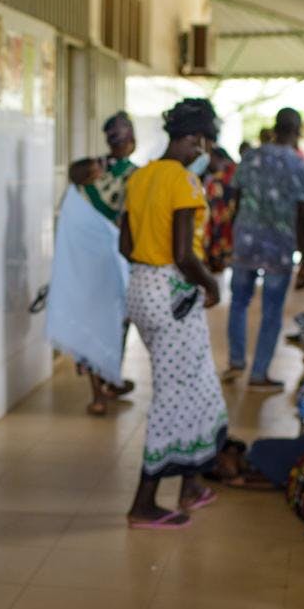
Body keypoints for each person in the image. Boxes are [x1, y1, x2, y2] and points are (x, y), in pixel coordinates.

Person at [118, 98, 226, 530]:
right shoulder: (183, 182)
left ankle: (191, 484)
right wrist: (212, 283)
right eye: (203, 142)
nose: (204, 151)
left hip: (142, 288)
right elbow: (184, 254)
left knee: (198, 382)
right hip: (172, 293)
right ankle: (143, 502)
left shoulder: (140, 177)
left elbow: (125, 246)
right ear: (194, 138)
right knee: (174, 394)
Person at [225, 107, 304, 390]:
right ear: (297, 131)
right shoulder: (300, 167)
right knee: (271, 311)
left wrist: (237, 235)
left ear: (275, 127)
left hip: (246, 243)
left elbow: (236, 200)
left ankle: (237, 361)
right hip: (279, 248)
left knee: (239, 303)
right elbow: (303, 217)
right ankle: (258, 373)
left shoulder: (250, 157)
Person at [69, 110, 139, 414]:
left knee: (92, 324)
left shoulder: (88, 171)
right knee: (116, 325)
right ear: (131, 140)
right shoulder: (134, 174)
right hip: (118, 261)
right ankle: (107, 383)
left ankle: (102, 388)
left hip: (88, 259)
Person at [202, 147, 238, 273]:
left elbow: (215, 217)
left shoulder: (217, 181)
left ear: (217, 158)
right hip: (234, 235)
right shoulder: (236, 172)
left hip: (221, 234)